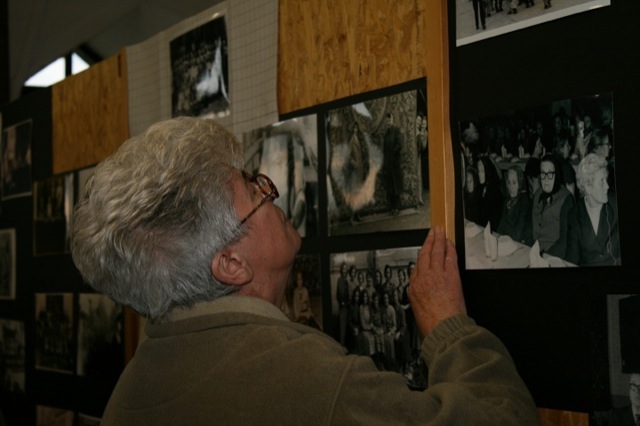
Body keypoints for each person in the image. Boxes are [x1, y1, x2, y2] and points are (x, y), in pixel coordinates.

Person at [70, 117, 539, 425]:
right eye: (253, 191)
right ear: (231, 264)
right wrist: (449, 329)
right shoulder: (309, 381)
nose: (271, 194)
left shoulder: (130, 391)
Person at [566, 154, 621, 266]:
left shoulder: (615, 204)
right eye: (601, 182)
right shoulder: (574, 215)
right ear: (588, 187)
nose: (607, 186)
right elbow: (572, 259)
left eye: (606, 180)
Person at [531, 154, 575, 259]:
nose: (546, 179)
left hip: (553, 255)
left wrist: (543, 257)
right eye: (543, 174)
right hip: (534, 251)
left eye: (550, 174)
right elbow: (529, 226)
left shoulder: (566, 200)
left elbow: (565, 242)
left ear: (557, 175)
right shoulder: (537, 194)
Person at [497, 166, 533, 245]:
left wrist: (505, 229)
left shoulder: (525, 202)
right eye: (509, 183)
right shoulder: (508, 200)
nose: (511, 187)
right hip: (508, 242)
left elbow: (517, 235)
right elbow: (500, 227)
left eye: (514, 183)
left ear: (520, 183)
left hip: (521, 245)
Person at [382, 113, 403, 216]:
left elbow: (399, 145)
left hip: (394, 164)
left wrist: (393, 155)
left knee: (396, 187)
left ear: (392, 120)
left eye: (389, 120)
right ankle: (392, 208)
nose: (388, 122)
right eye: (387, 120)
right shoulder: (386, 134)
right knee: (390, 187)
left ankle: (397, 208)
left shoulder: (396, 131)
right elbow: (384, 150)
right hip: (388, 165)